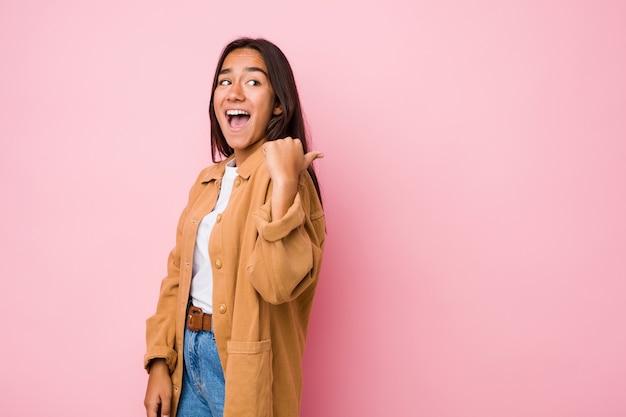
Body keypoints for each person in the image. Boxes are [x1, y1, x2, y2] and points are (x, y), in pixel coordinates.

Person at [143, 37, 326, 417]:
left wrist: (286, 184)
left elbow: (277, 285)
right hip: (187, 356)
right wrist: (160, 360)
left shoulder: (289, 180)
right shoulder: (207, 180)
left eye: (253, 82)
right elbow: (178, 275)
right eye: (225, 81)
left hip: (242, 368)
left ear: (278, 103)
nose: (234, 92)